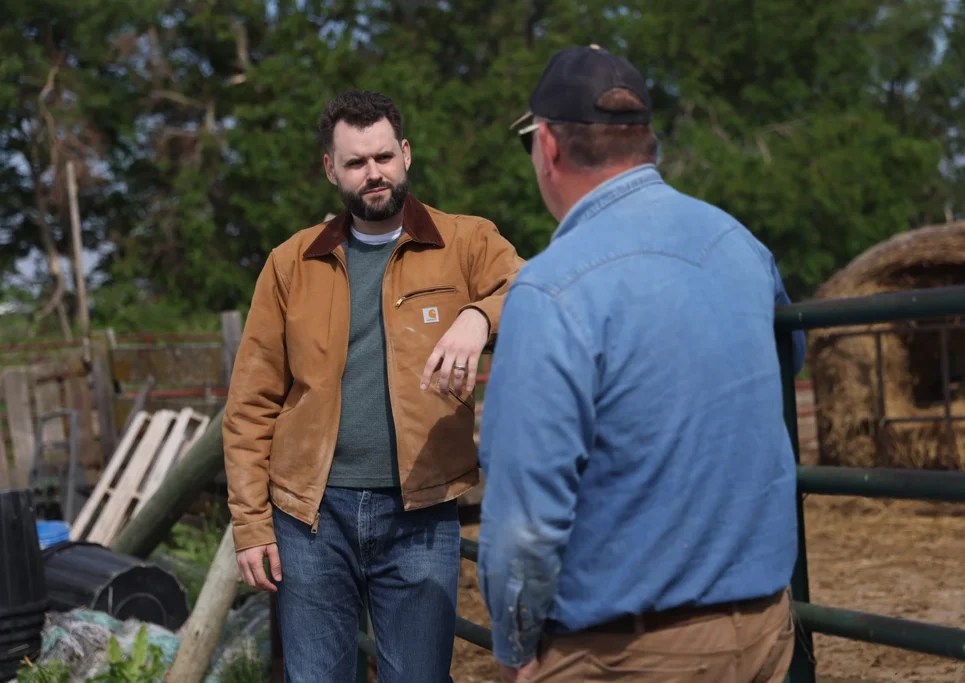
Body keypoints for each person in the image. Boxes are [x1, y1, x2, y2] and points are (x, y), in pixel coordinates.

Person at [477, 45, 806, 683]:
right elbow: (787, 361)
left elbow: (524, 518)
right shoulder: (740, 245)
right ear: (644, 142)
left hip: (624, 653)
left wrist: (517, 648)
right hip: (766, 630)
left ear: (548, 147)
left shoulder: (551, 290)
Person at [223, 89, 522, 683]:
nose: (374, 173)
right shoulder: (292, 262)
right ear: (331, 169)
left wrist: (478, 316)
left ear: (406, 154)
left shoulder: (466, 242)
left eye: (383, 157)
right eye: (356, 162)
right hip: (310, 516)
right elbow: (251, 404)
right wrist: (251, 524)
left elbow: (534, 292)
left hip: (421, 509)